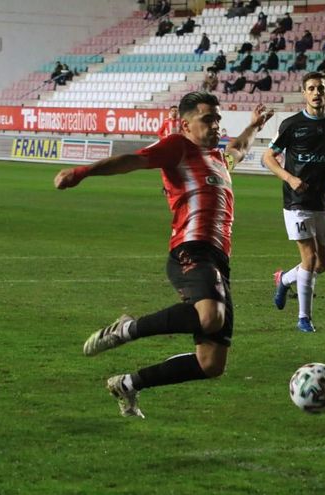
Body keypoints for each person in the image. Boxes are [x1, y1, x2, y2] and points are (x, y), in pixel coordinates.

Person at [54, 93, 274, 418]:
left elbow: (239, 148)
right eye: (207, 119)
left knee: (211, 363)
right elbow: (132, 160)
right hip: (191, 248)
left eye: (217, 119)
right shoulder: (177, 147)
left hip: (218, 260)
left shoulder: (218, 157)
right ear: (185, 125)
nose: (216, 125)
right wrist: (83, 171)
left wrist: (253, 126)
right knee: (211, 316)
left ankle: (129, 383)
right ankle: (127, 329)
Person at [262, 71, 325, 333]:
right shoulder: (291, 124)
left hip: (323, 203)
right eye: (311, 88)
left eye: (320, 88)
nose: (316, 93)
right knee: (309, 259)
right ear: (304, 93)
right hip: (296, 201)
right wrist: (289, 177)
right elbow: (268, 157)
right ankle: (303, 318)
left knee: (322, 264)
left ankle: (284, 279)